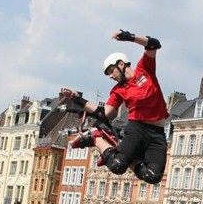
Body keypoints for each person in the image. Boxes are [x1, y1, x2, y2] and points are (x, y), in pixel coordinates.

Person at [64, 29, 168, 185]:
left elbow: (154, 44)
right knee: (117, 166)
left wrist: (129, 37)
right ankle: (96, 138)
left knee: (153, 176)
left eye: (111, 71)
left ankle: (126, 157)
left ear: (121, 64)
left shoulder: (144, 69)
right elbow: (104, 114)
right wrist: (79, 100)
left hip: (157, 133)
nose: (111, 76)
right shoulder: (119, 90)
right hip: (137, 129)